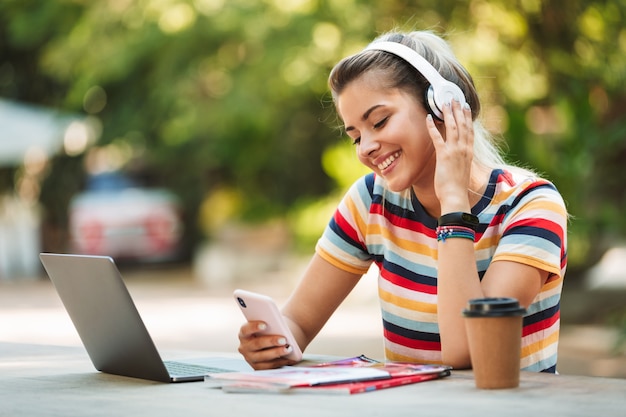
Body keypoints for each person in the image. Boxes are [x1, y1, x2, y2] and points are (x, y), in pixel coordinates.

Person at [237, 30, 567, 373]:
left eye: (379, 121)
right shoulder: (371, 201)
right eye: (355, 137)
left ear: (443, 104)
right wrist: (273, 343)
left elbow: (467, 350)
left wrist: (454, 204)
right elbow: (299, 323)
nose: (365, 147)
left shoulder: (531, 205)